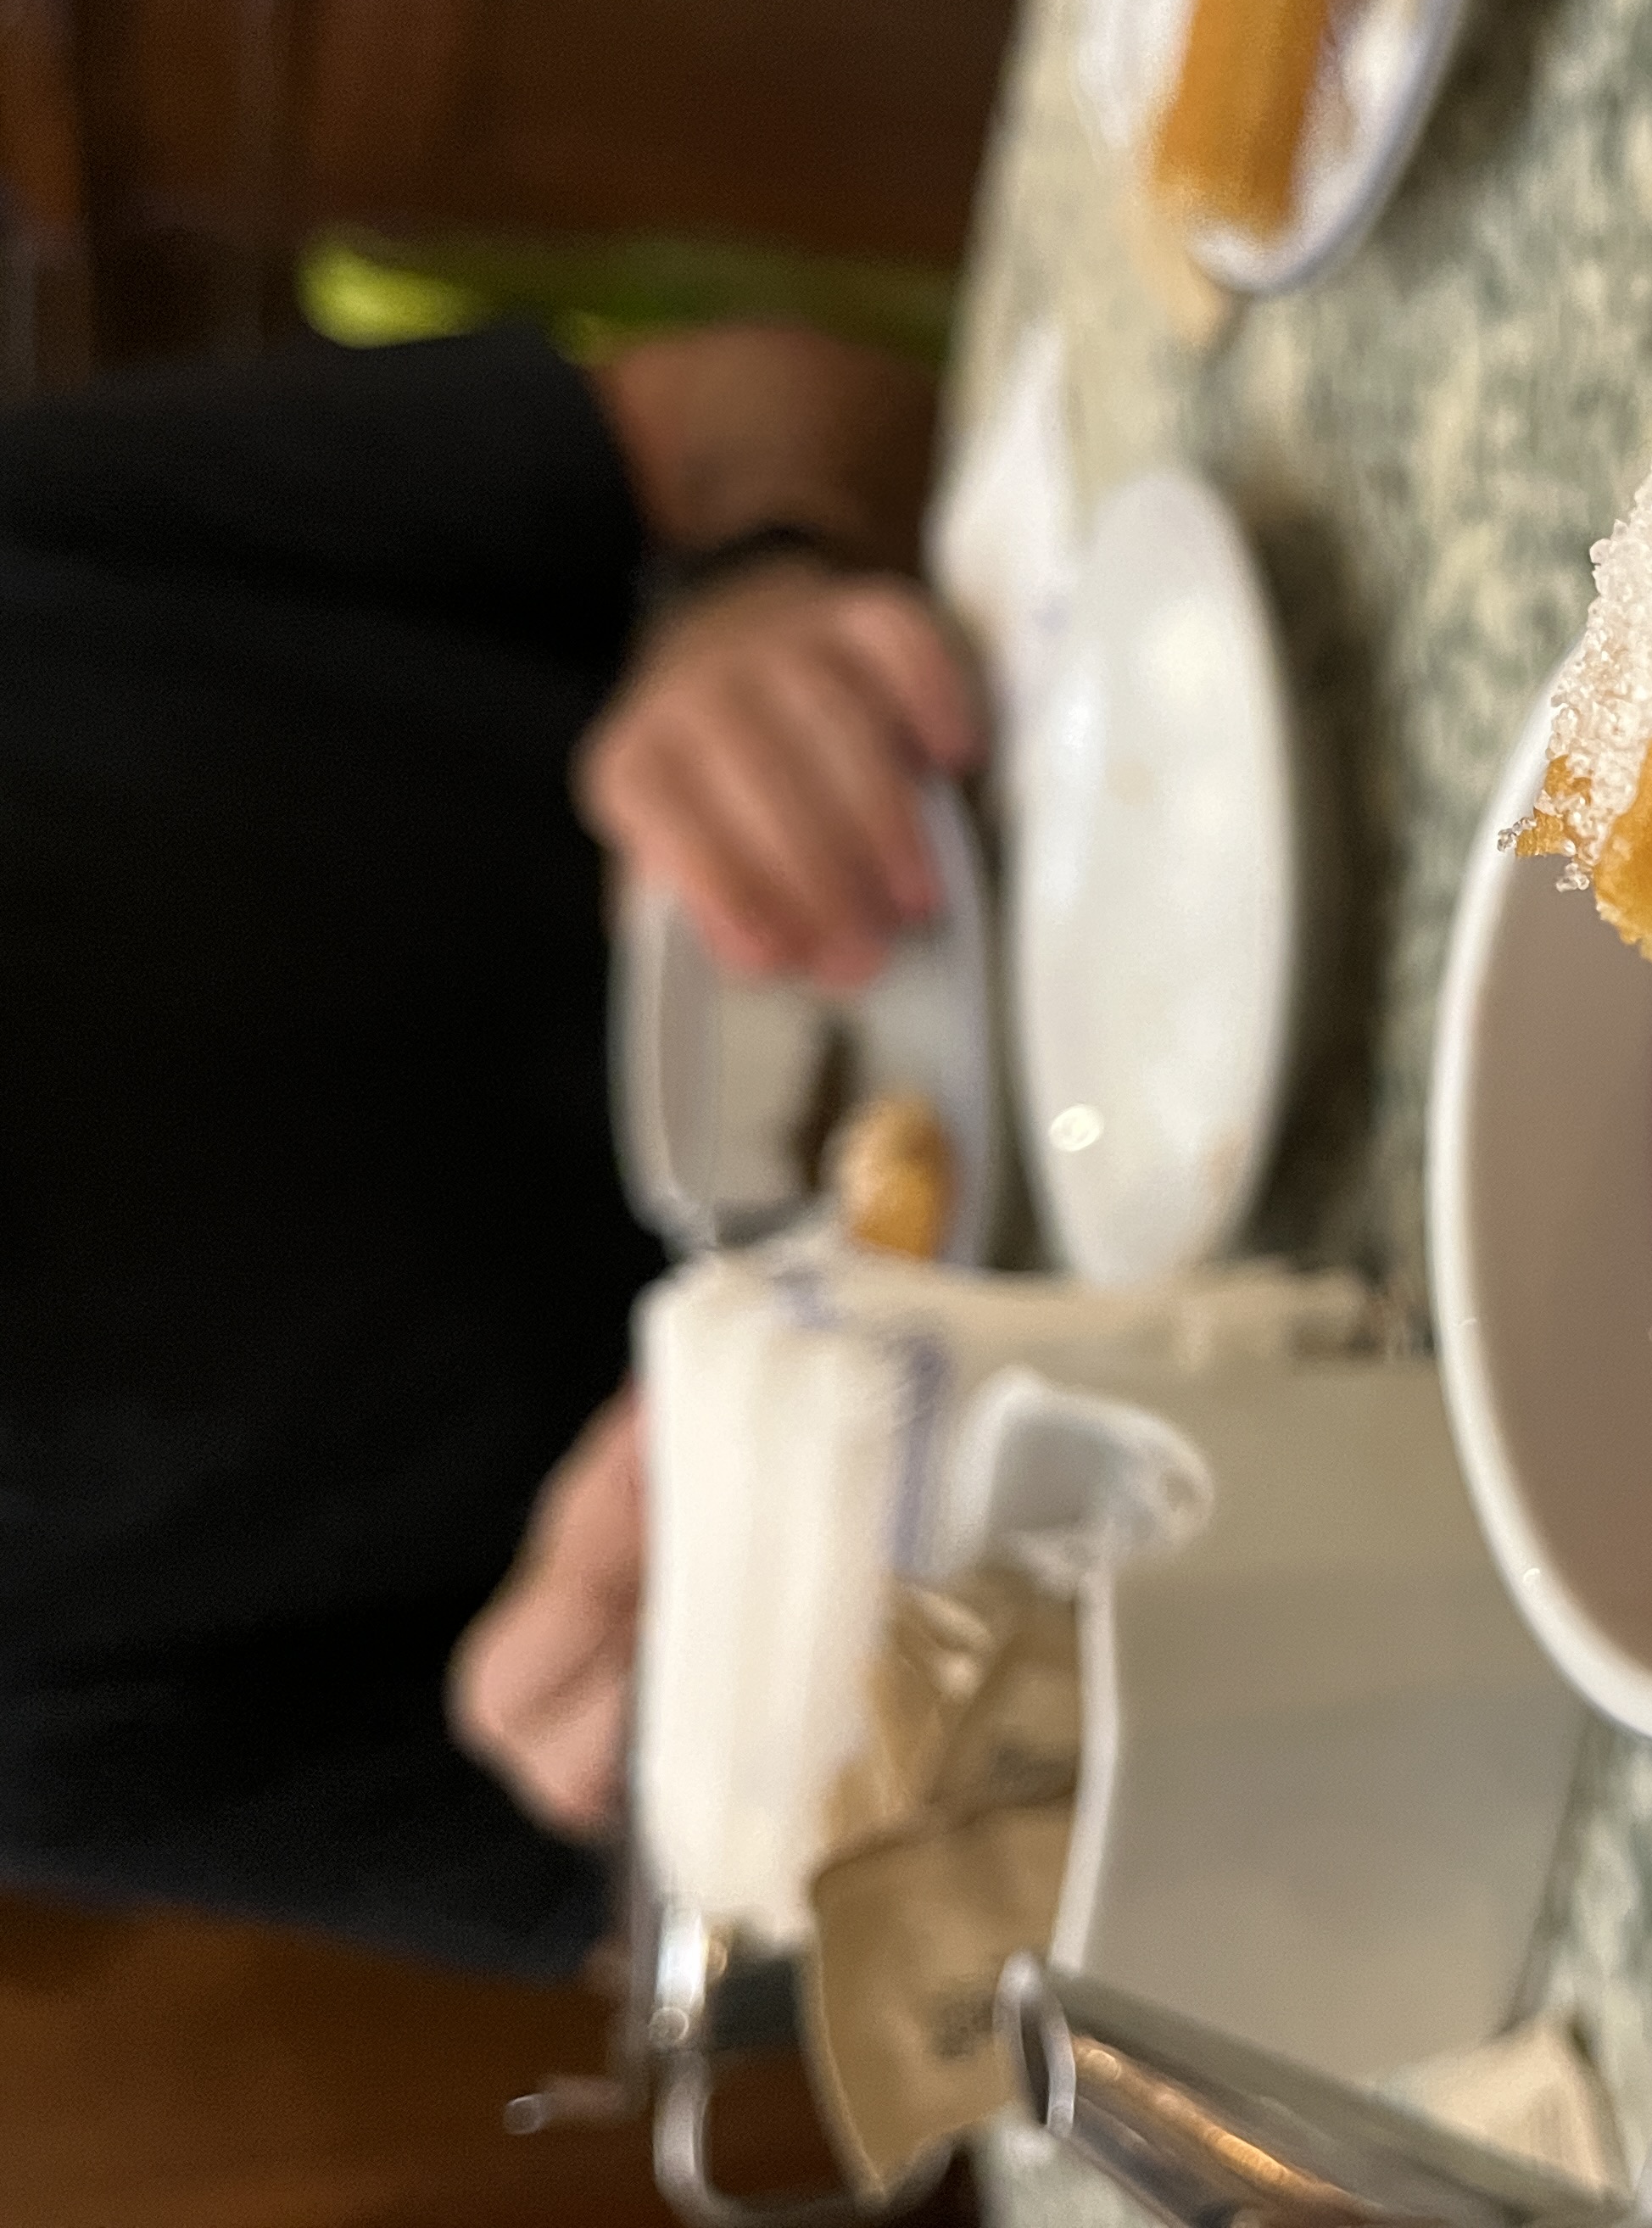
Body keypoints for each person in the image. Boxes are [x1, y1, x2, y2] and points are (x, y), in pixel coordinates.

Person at [0, 320, 977, 1974]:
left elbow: (795, 395)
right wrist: (698, 1756)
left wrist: (756, 582)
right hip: (1124, 1474)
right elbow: (683, 1933)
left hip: (1089, 824)